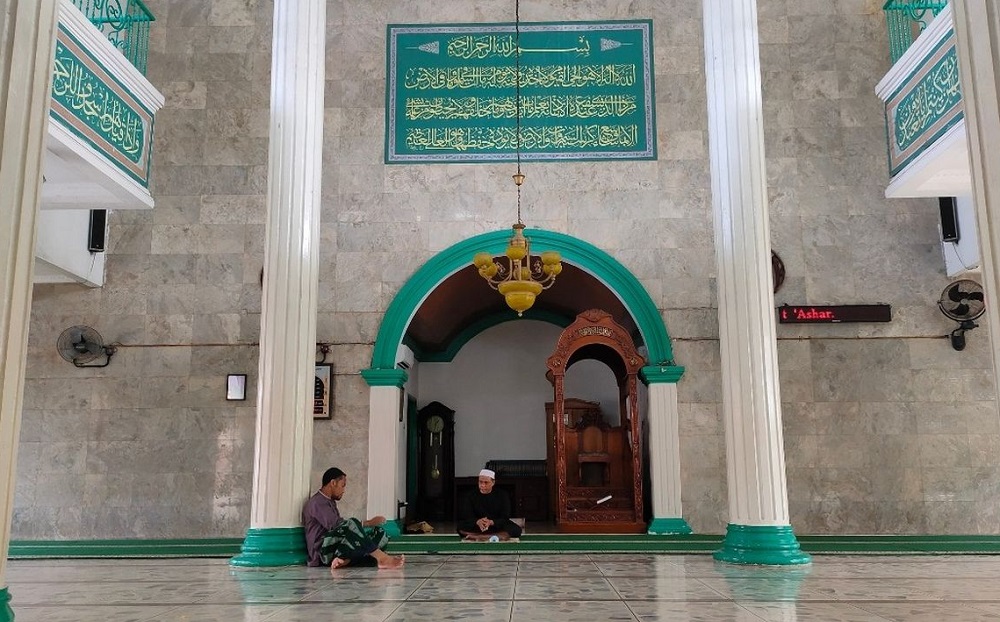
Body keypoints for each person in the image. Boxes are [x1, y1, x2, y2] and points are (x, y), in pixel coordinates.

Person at [302, 467, 404, 570]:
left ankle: (344, 561)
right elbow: (337, 525)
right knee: (352, 523)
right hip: (322, 552)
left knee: (380, 533)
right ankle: (382, 558)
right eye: (343, 486)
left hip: (337, 547)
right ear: (333, 483)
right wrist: (368, 523)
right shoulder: (317, 502)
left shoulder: (330, 501)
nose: (344, 490)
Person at [456, 468, 523, 540]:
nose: (482, 485)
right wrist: (478, 521)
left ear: (493, 482)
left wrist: (491, 522)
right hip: (478, 526)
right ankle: (495, 536)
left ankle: (480, 536)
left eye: (486, 482)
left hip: (496, 525)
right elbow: (467, 515)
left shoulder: (502, 495)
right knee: (460, 527)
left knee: (516, 529)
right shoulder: (470, 495)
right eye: (480, 482)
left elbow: (505, 517)